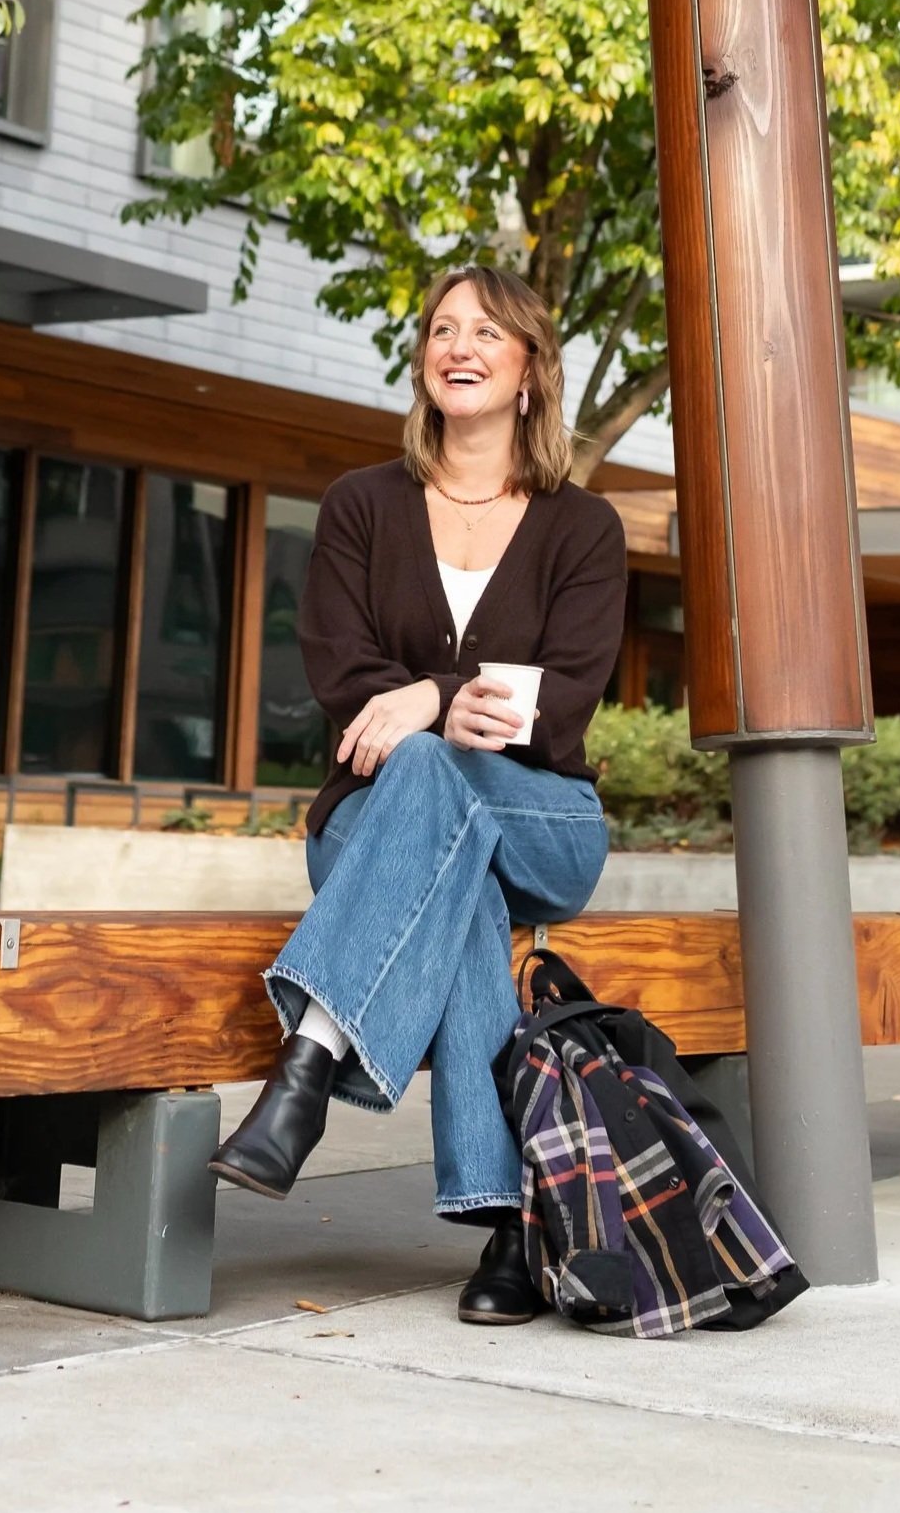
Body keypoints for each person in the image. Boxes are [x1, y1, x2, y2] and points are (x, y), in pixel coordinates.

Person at [209, 264, 627, 1324]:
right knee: (458, 879)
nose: (459, 346)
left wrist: (430, 698)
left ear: (529, 369)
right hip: (372, 820)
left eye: (486, 332)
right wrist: (439, 710)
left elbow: (561, 700)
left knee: (438, 771)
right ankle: (510, 1227)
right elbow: (340, 677)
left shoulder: (581, 526)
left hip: (540, 818)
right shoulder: (360, 505)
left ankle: (308, 1062)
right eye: (443, 329)